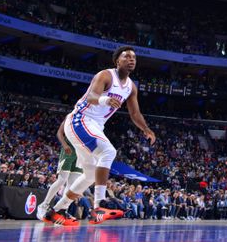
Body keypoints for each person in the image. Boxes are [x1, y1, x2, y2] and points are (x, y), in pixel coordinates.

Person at [47, 46, 156, 226]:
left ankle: (58, 210)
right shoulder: (105, 75)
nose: (131, 60)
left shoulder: (131, 87)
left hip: (95, 126)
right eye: (126, 56)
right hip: (80, 119)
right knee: (108, 152)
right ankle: (99, 205)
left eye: (134, 58)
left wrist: (147, 130)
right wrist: (104, 100)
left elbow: (135, 114)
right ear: (117, 61)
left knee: (90, 175)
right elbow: (91, 95)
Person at [37, 118, 84, 221]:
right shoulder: (72, 116)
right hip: (69, 149)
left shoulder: (90, 119)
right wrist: (64, 145)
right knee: (62, 180)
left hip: (81, 153)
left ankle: (62, 210)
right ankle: (44, 205)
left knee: (72, 185)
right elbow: (59, 132)